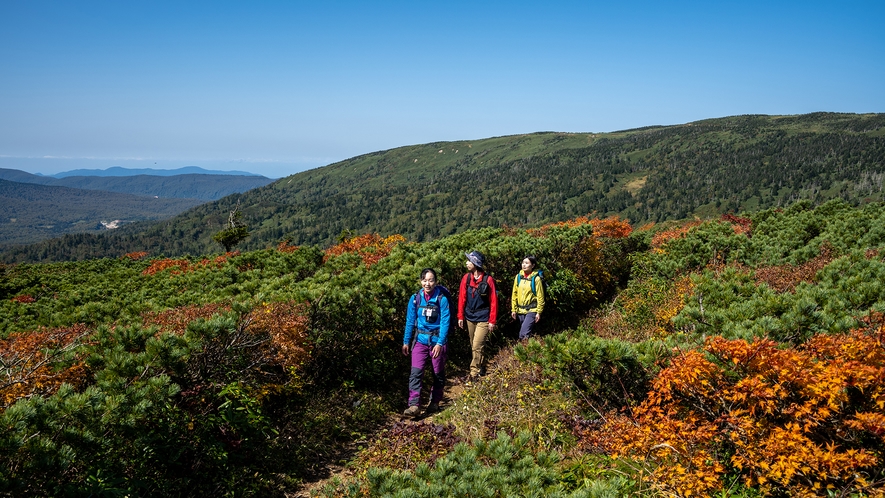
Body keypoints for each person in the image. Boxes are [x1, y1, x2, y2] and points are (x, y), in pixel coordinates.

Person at [402, 268, 450, 418]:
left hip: (437, 341)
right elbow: (410, 321)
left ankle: (434, 401)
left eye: (430, 280)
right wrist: (406, 341)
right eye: (424, 280)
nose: (427, 283)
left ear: (435, 282)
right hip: (420, 340)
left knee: (437, 373)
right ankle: (414, 405)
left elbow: (445, 322)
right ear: (420, 281)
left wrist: (440, 343)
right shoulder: (415, 298)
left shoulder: (442, 299)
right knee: (415, 373)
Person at [458, 251, 498, 380]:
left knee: (476, 345)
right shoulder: (466, 278)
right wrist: (460, 316)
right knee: (475, 345)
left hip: (484, 318)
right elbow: (462, 298)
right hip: (470, 317)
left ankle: (473, 373)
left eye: (469, 261)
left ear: (475, 263)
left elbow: (493, 302)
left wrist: (492, 321)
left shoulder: (488, 280)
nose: (467, 263)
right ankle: (482, 366)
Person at [511, 255, 545, 340]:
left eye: (526, 263)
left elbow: (540, 297)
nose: (524, 265)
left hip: (532, 310)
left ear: (533, 265)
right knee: (527, 334)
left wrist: (539, 312)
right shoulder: (518, 277)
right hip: (520, 311)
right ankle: (531, 350)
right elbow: (514, 294)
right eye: (523, 263)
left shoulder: (536, 279)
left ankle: (523, 351)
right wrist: (513, 309)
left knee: (523, 334)